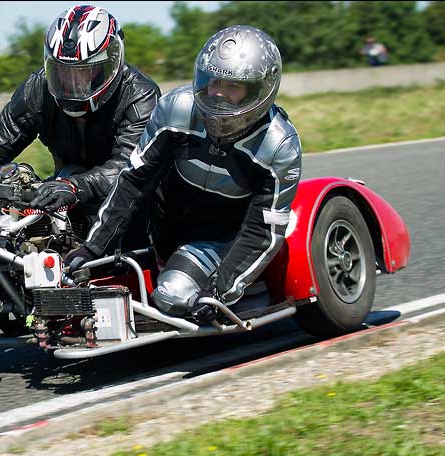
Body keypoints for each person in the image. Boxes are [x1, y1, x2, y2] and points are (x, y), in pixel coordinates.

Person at [67, 25, 303, 323]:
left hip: (221, 239)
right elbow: (135, 180)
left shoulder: (278, 145)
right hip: (162, 227)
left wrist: (221, 291)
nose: (217, 93)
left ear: (259, 90)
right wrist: (92, 248)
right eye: (213, 81)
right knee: (73, 252)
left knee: (172, 293)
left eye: (232, 87)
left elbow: (261, 232)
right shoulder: (176, 109)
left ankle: (250, 292)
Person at [0, 4, 160, 244]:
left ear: (111, 63)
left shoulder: (140, 95)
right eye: (63, 73)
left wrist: (73, 186)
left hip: (129, 206)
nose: (73, 85)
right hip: (65, 191)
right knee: (0, 217)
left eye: (84, 73)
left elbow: (128, 168)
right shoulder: (38, 88)